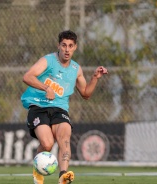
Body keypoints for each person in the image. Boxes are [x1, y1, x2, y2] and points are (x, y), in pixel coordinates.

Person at [21, 30, 108, 184]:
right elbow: (27, 76)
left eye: (70, 46)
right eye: (64, 45)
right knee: (47, 143)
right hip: (38, 106)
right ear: (58, 46)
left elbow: (86, 94)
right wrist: (46, 88)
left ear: (75, 47)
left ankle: (63, 176)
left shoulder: (76, 69)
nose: (67, 49)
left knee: (64, 136)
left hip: (60, 109)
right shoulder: (48, 60)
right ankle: (37, 172)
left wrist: (95, 78)